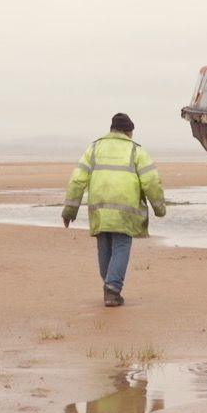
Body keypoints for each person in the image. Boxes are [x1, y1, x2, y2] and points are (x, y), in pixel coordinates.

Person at [61, 112, 166, 306]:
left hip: (99, 209)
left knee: (104, 246)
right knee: (121, 246)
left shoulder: (94, 148)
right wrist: (159, 208)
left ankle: (110, 284)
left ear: (112, 130)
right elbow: (152, 181)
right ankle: (112, 288)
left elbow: (77, 180)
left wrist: (69, 211)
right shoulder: (136, 151)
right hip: (125, 210)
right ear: (129, 132)